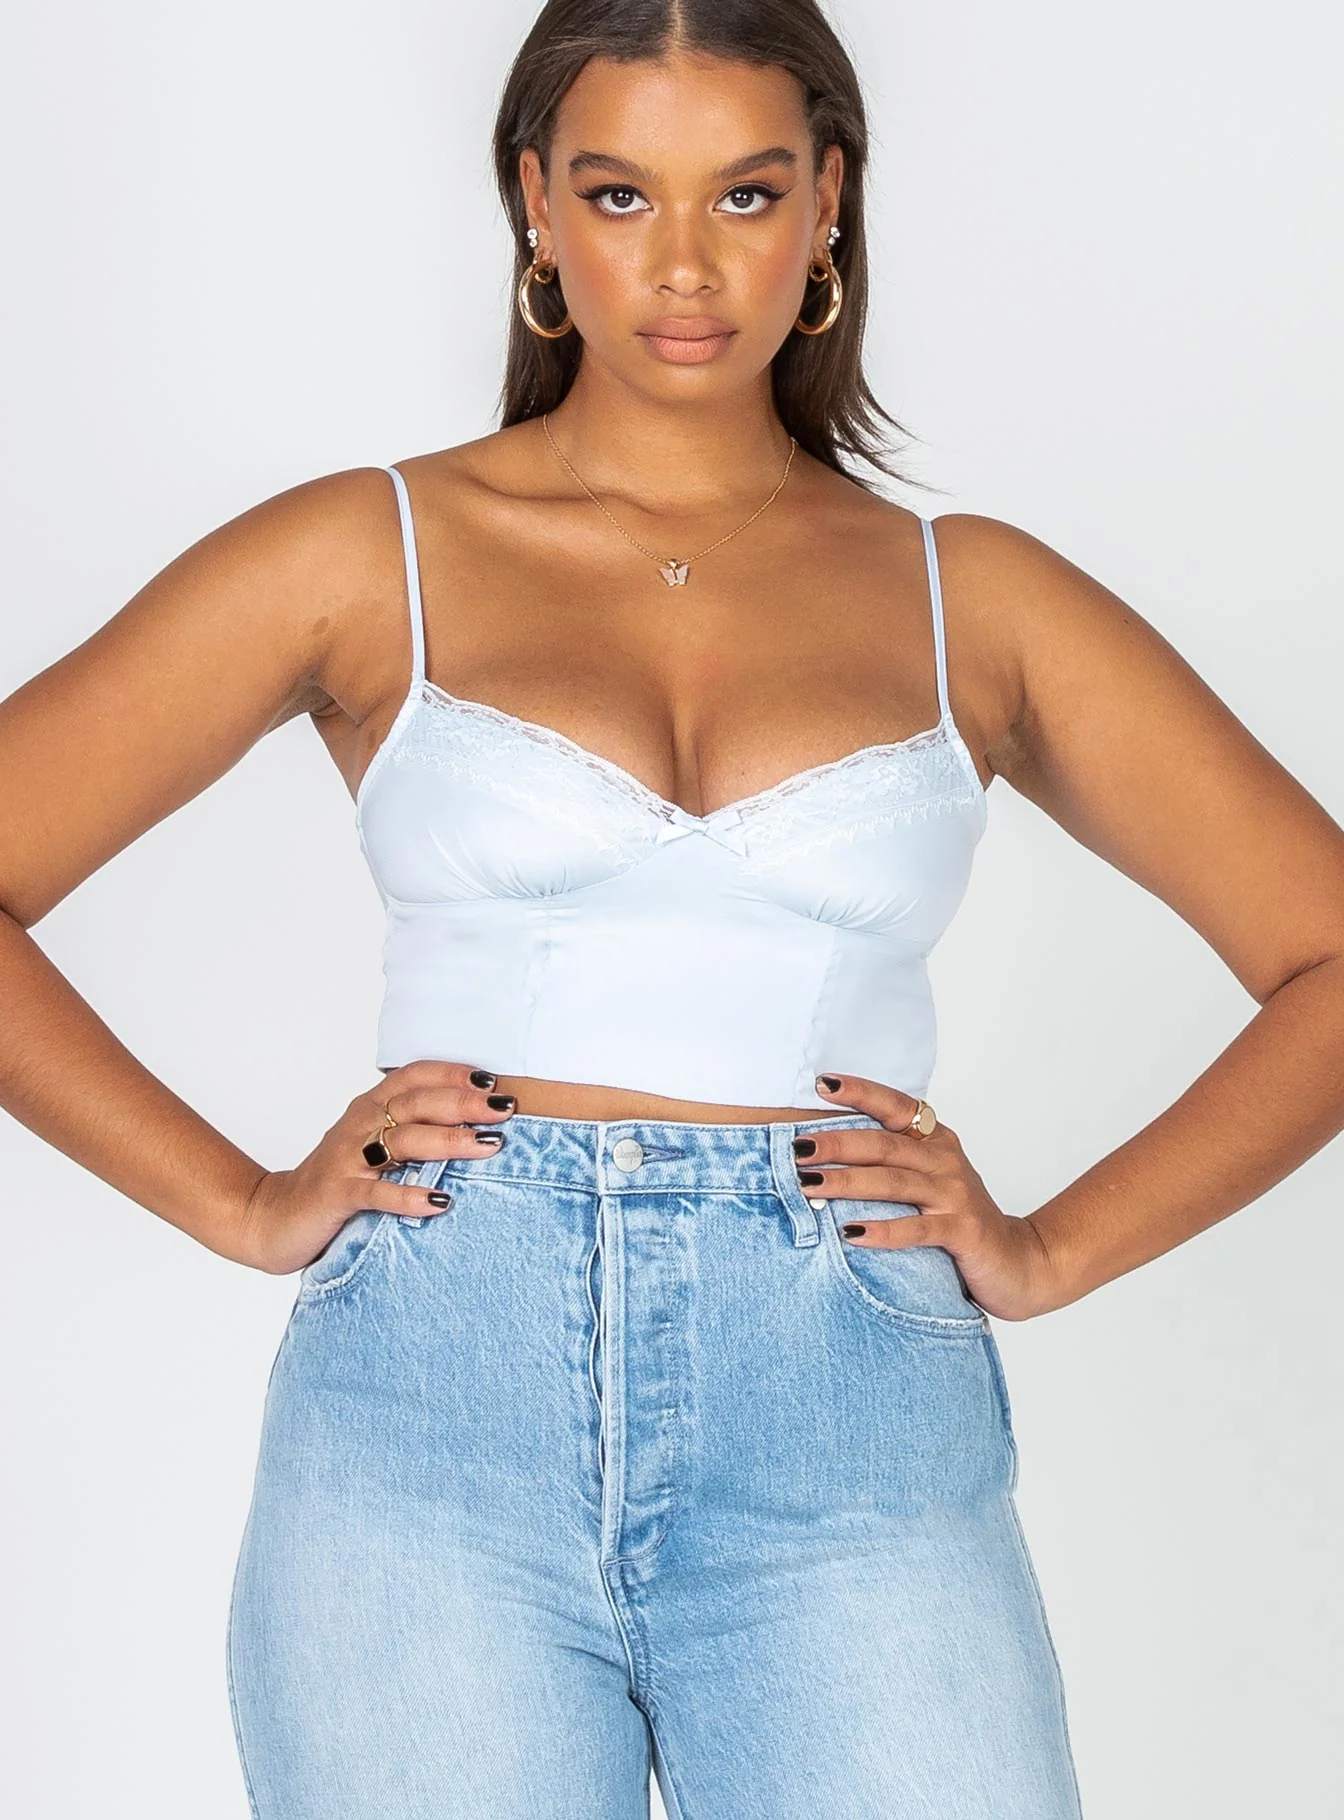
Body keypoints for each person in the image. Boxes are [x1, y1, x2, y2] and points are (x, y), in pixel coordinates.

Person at [2, 2, 1341, 1816]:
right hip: (431, 1413)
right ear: (536, 204)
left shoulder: (973, 598)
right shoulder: (366, 553)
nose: (687, 266)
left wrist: (1050, 1248)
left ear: (831, 204)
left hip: (848, 1409)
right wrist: (240, 1203)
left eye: (749, 193)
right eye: (623, 194)